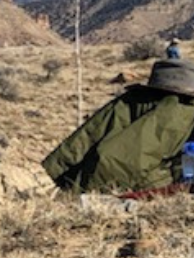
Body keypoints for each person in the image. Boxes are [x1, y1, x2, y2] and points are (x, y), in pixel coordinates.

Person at [43, 58, 194, 194]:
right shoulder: (177, 110)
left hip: (98, 179)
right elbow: (123, 160)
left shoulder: (132, 99)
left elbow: (85, 138)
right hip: (135, 187)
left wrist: (61, 179)